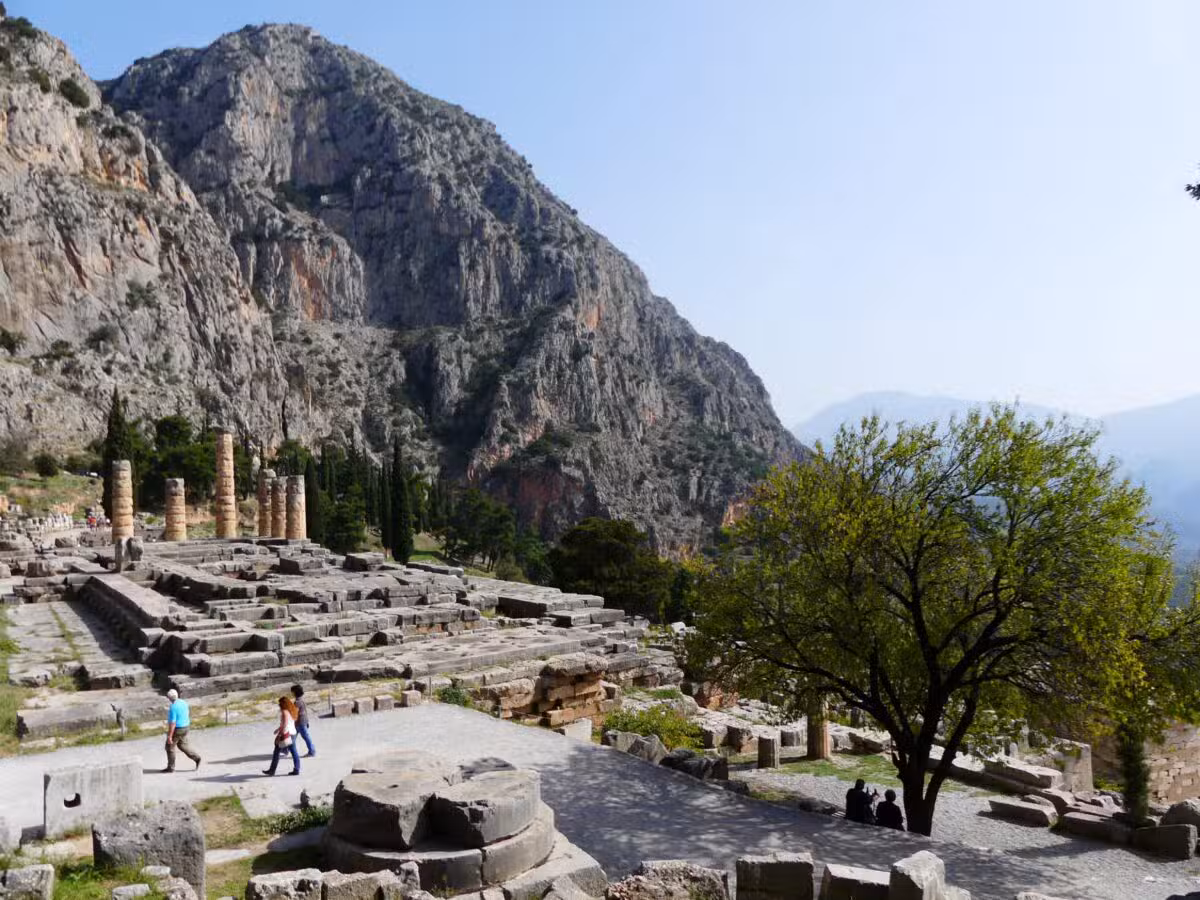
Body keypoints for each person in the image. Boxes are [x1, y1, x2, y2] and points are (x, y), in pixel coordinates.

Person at [163, 688, 201, 773]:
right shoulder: (183, 702)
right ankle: (197, 758)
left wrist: (169, 736)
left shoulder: (173, 707)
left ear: (169, 698)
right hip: (186, 727)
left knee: (170, 747)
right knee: (182, 745)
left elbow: (173, 723)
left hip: (178, 729)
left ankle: (171, 768)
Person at [263, 696, 301, 776]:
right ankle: (296, 769)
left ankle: (272, 770)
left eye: (280, 703)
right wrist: (278, 729)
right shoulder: (292, 710)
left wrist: (279, 735)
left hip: (286, 734)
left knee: (276, 751)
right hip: (293, 733)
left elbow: (284, 725)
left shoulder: (284, 712)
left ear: (283, 704)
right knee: (294, 752)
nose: (279, 705)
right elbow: (287, 723)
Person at [292, 684, 315, 758]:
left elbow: (296, 713)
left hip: (299, 723)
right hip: (303, 721)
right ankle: (285, 750)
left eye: (292, 692)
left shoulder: (297, 702)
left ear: (295, 692)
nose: (292, 693)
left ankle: (312, 751)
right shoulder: (301, 699)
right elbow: (304, 712)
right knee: (292, 737)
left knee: (305, 737)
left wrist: (295, 722)